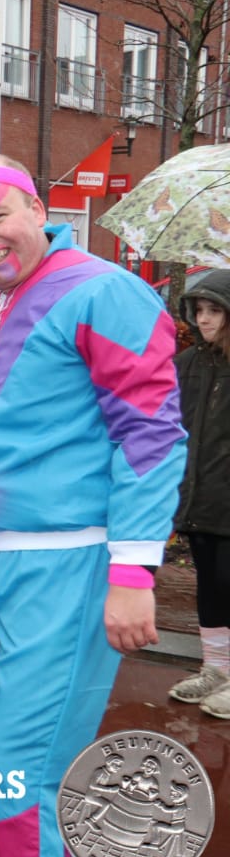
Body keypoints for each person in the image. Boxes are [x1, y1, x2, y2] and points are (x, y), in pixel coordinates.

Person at [0, 155, 185, 857]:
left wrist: (132, 571)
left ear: (38, 211)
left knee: (18, 772)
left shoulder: (103, 291)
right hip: (1, 561)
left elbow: (150, 434)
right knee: (45, 769)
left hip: (66, 564)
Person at [166, 269, 230, 718]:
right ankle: (217, 669)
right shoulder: (188, 364)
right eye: (199, 310)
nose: (204, 319)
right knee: (210, 585)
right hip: (200, 496)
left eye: (214, 311)